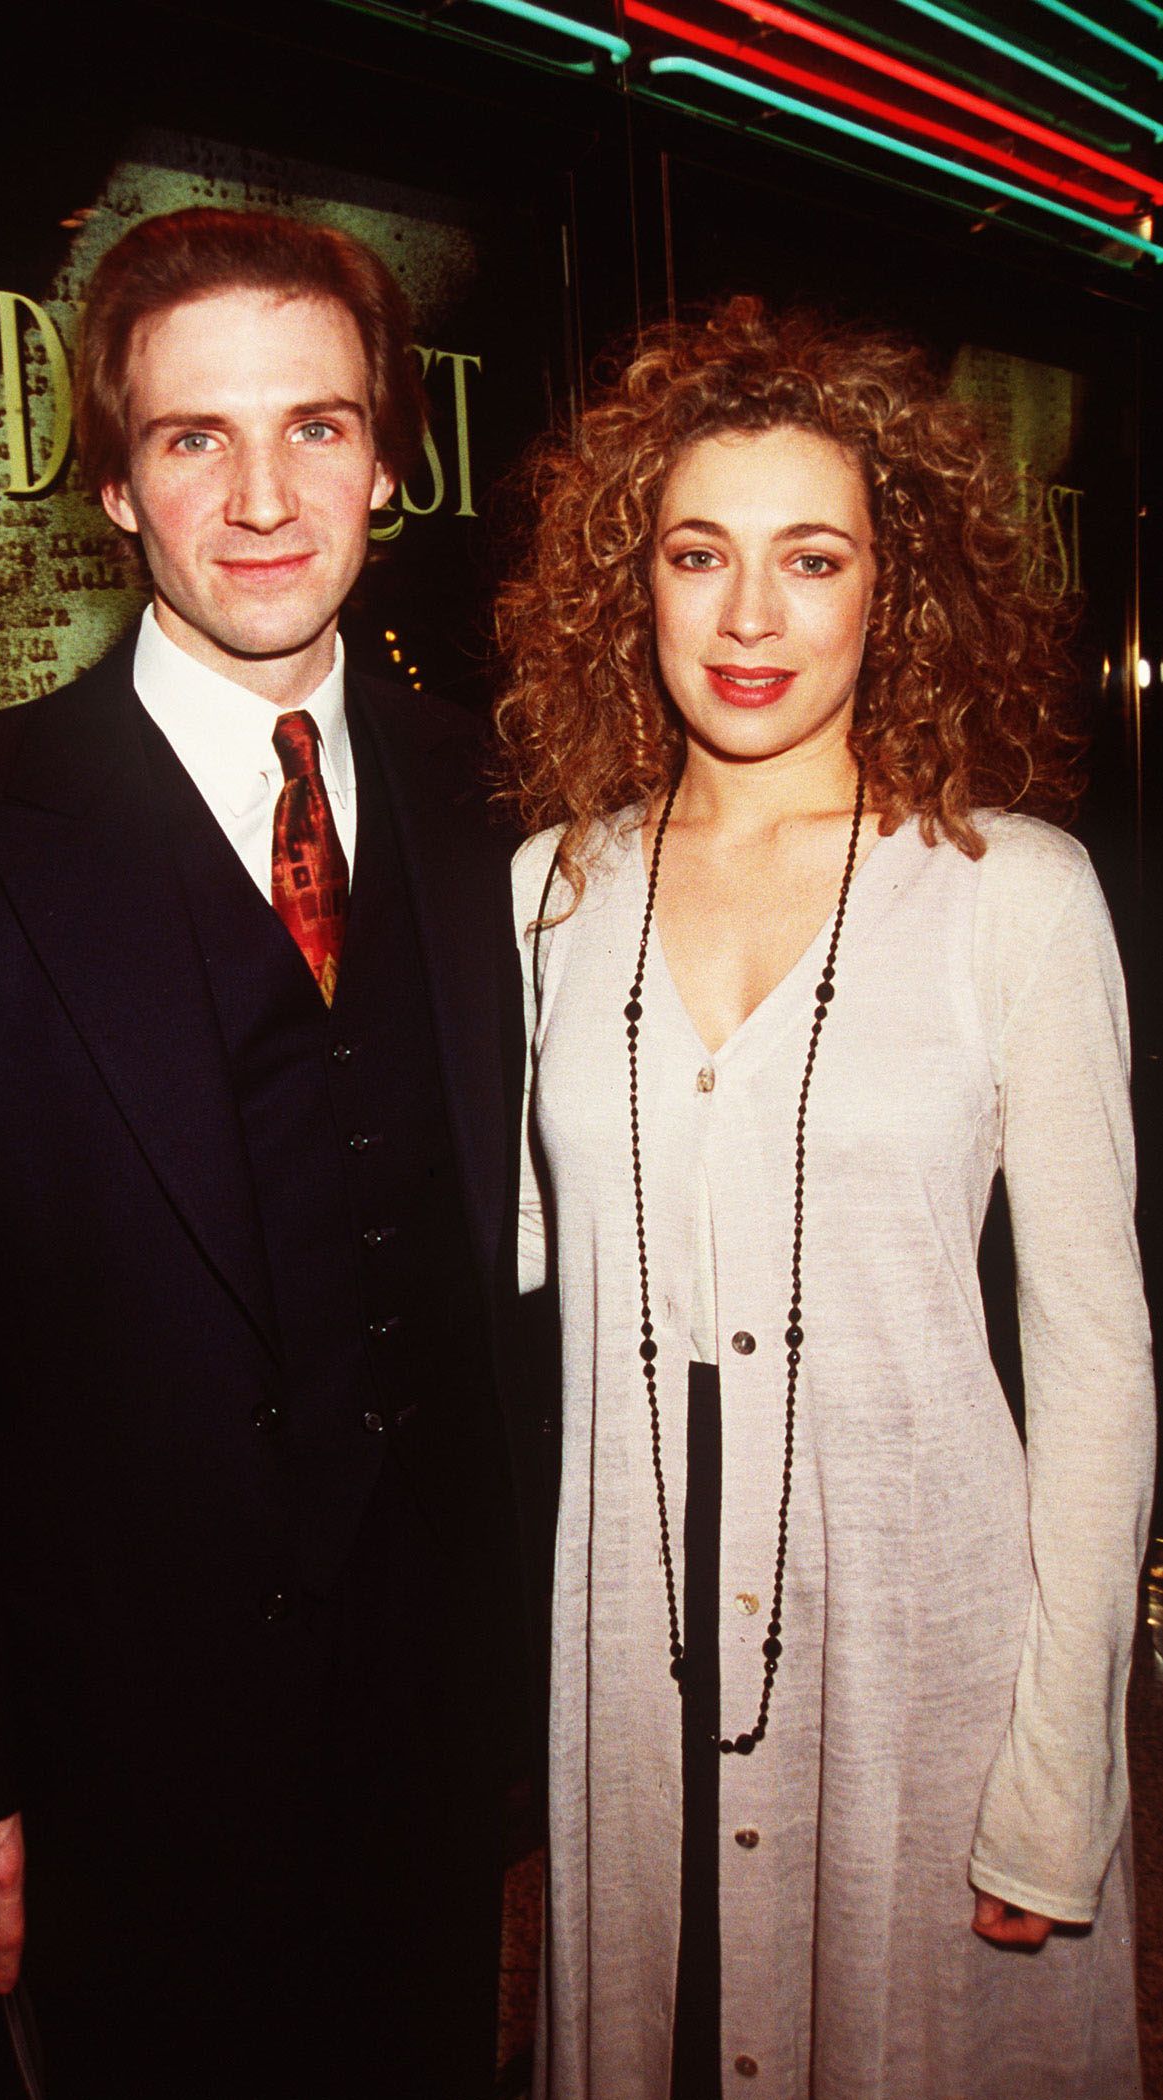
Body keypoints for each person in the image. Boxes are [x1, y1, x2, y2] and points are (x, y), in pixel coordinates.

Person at [0, 206, 536, 2100]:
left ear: (387, 457)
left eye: (317, 425)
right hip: (112, 1765)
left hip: (443, 1754)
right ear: (113, 488)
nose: (265, 494)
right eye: (195, 438)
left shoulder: (514, 799)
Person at [495, 296, 1154, 2100]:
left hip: (915, 1643)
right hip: (632, 1632)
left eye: (811, 557)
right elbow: (518, 1297)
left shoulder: (1011, 893)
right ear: (631, 585)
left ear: (897, 586)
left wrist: (1054, 1777)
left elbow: (1093, 1364)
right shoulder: (552, 893)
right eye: (698, 555)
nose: (749, 617)